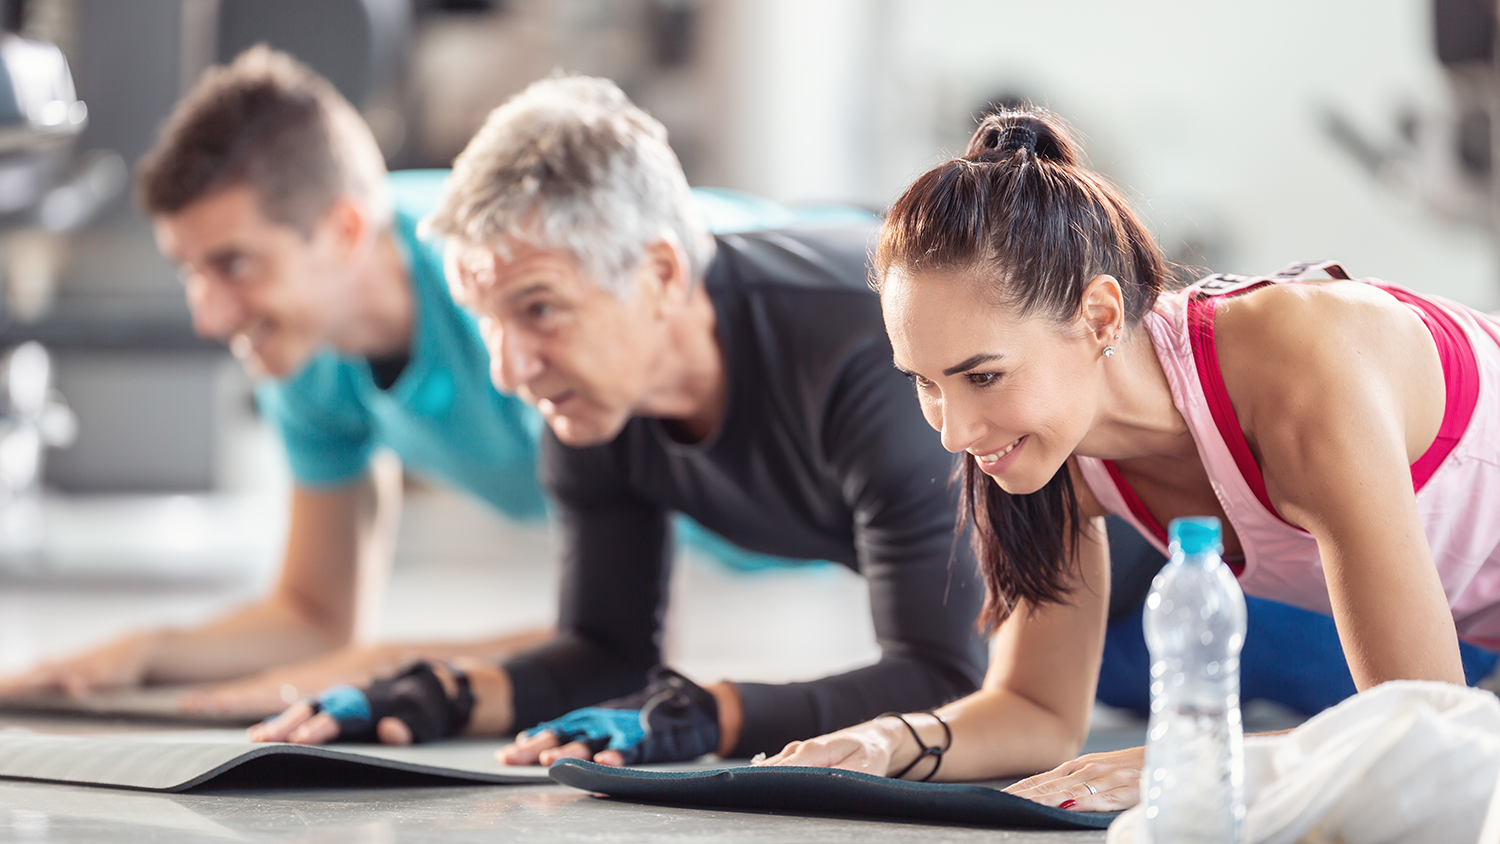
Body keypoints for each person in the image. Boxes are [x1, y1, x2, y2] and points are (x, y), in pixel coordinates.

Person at [0, 49, 832, 717]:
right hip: (774, 531)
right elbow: (316, 614)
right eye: (191, 272)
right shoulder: (311, 357)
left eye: (234, 266)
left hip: (850, 377)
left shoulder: (518, 302)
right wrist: (141, 656)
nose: (210, 317)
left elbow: (621, 640)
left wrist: (372, 671)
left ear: (345, 229)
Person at [758, 106, 1500, 811]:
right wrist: (890, 740)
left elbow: (1422, 728)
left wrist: (1179, 759)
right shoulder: (1052, 450)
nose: (953, 433)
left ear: (1100, 317)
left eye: (983, 376)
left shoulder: (1302, 371)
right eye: (926, 383)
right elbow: (1037, 709)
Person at [248, 75, 989, 762]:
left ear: (660, 275)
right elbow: (607, 651)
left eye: (540, 310)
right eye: (488, 323)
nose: (509, 370)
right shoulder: (597, 403)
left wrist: (711, 715)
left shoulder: (867, 344)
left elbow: (949, 679)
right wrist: (434, 694)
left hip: (1094, 626)